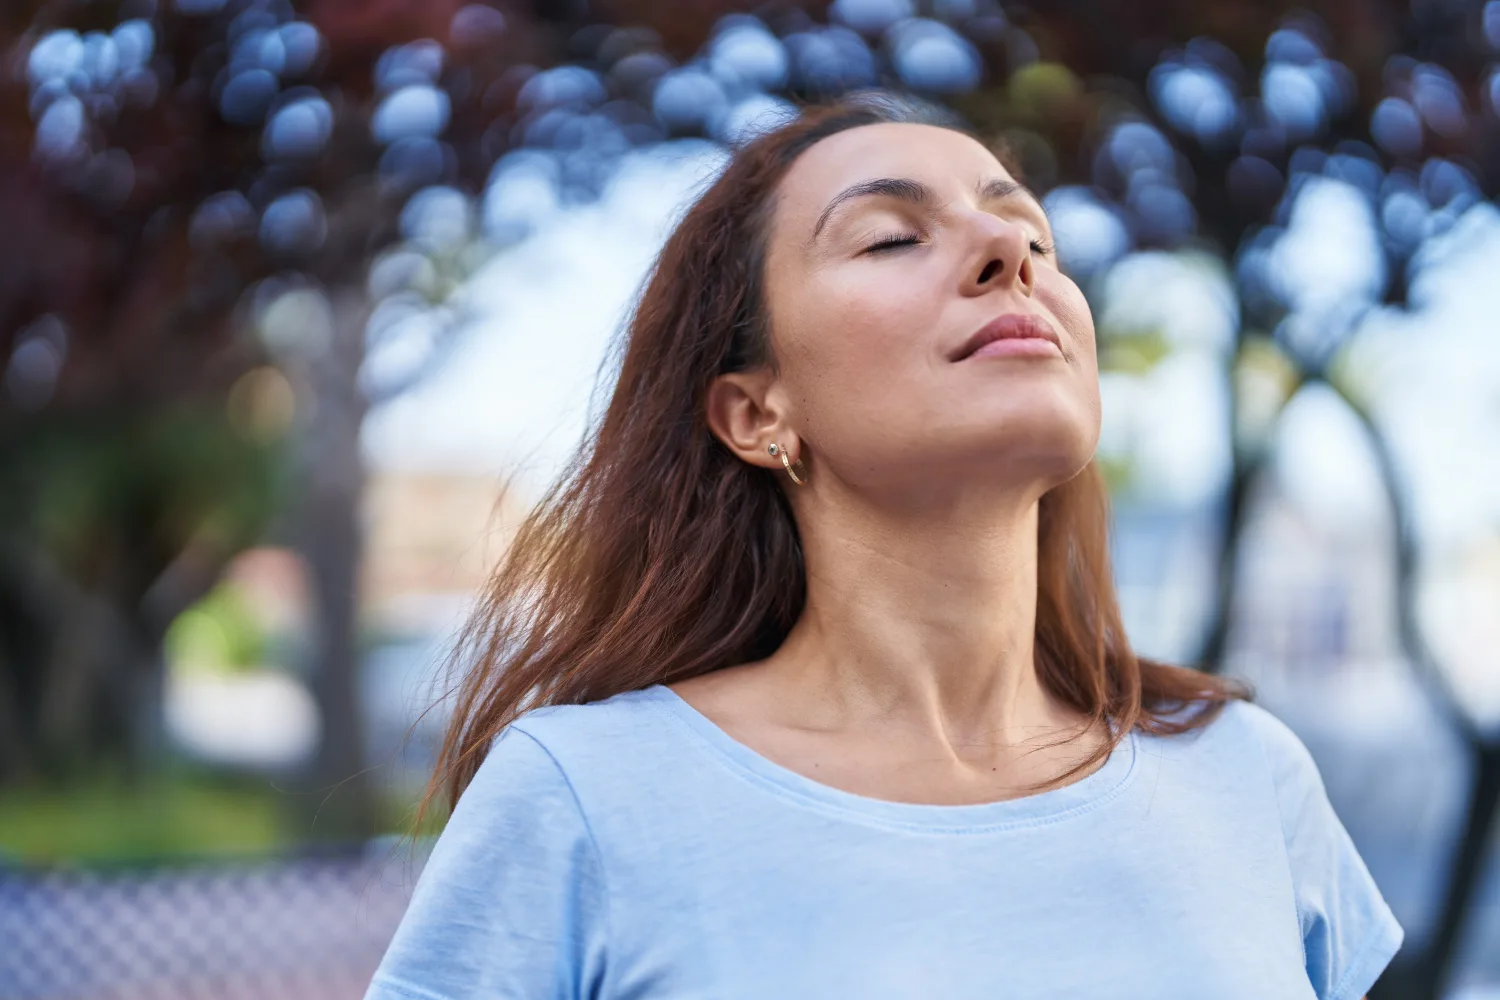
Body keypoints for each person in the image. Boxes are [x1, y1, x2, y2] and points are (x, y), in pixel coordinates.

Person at [364, 95, 1402, 1000]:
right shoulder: (583, 797)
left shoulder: (1245, 777)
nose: (1013, 262)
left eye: (1034, 238)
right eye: (891, 238)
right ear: (755, 410)